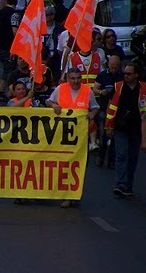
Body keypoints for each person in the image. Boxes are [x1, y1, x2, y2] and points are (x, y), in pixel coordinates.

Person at [46, 67, 99, 207]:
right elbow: (48, 101)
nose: (76, 81)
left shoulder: (87, 91)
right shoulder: (60, 89)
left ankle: (73, 193)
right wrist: (54, 105)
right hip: (62, 137)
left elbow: (95, 107)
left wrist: (92, 114)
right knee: (64, 166)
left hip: (81, 138)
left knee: (78, 166)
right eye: (73, 78)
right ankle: (67, 195)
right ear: (68, 79)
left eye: (78, 78)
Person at [104, 63, 146, 198]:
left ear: (136, 75)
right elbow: (111, 108)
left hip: (136, 129)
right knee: (121, 155)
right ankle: (120, 184)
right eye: (125, 74)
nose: (126, 76)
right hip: (120, 127)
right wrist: (108, 125)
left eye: (129, 74)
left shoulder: (144, 88)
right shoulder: (118, 87)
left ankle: (128, 186)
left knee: (133, 158)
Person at [92, 55, 122, 167]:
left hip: (117, 109)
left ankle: (112, 160)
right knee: (103, 133)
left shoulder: (121, 76)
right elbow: (95, 89)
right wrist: (101, 92)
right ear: (108, 64)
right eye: (112, 67)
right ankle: (101, 157)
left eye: (116, 67)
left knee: (115, 135)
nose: (114, 69)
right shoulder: (102, 75)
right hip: (104, 108)